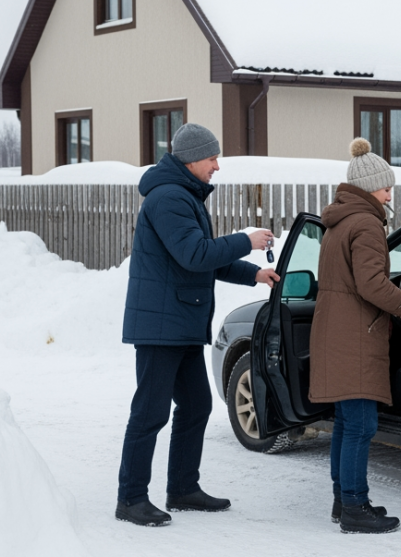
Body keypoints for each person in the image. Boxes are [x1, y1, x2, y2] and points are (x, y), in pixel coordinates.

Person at [116, 123, 279, 527]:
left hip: (180, 322)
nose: (217, 166)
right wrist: (246, 240)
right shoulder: (169, 198)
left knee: (196, 405)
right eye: (212, 158)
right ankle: (131, 498)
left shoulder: (183, 195)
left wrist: (254, 274)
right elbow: (193, 253)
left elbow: (204, 256)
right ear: (191, 159)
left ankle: (183, 488)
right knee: (150, 412)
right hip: (160, 325)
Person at [309, 137, 401, 534]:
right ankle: (355, 506)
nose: (391, 190)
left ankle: (345, 499)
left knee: (346, 421)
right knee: (360, 425)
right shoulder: (367, 223)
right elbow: (371, 283)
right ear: (370, 186)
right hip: (355, 334)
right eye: (386, 184)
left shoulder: (340, 221)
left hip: (336, 331)